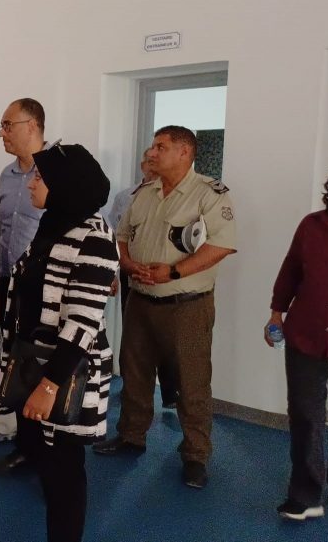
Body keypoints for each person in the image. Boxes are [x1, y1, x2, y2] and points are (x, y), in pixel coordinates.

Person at [93, 126, 237, 490]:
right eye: (153, 146)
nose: (152, 153)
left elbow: (220, 245)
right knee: (135, 372)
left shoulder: (209, 194)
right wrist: (127, 264)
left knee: (191, 381)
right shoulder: (144, 193)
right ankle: (131, 436)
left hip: (187, 305)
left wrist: (173, 272)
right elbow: (122, 236)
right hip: (140, 300)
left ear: (185, 152)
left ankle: (195, 455)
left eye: (161, 147)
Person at [6, 143, 118, 542]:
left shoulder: (94, 237)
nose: (31, 184)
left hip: (65, 371)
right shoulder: (54, 225)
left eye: (40, 177)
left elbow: (82, 323)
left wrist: (49, 385)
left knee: (65, 470)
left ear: (65, 184)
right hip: (34, 362)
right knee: (46, 462)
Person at [267, 161, 328, 520]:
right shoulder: (312, 225)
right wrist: (276, 313)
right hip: (307, 330)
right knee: (305, 412)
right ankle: (305, 493)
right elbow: (291, 268)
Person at [0, 98, 47, 471]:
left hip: (45, 289)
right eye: (2, 126)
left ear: (33, 125)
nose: (2, 133)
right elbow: (6, 235)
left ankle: (45, 448)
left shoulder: (56, 171)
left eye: (8, 125)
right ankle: (22, 440)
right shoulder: (7, 175)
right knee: (13, 362)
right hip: (11, 286)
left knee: (40, 365)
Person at [108, 154, 179, 409]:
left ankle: (170, 392)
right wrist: (115, 271)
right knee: (133, 334)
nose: (154, 166)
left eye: (158, 160)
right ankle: (132, 388)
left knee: (165, 335)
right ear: (142, 166)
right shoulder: (124, 197)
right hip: (131, 273)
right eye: (149, 161)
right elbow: (114, 236)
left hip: (164, 275)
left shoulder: (175, 196)